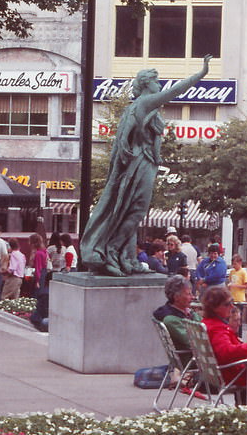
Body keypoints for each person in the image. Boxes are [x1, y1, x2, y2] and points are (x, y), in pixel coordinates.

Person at [80, 55, 212, 275]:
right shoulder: (144, 102)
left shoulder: (141, 107)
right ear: (146, 84)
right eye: (156, 80)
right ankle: (112, 250)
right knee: (137, 209)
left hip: (145, 161)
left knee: (131, 210)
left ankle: (127, 258)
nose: (159, 84)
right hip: (141, 161)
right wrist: (201, 73)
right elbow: (176, 90)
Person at [153, 275, 202, 368]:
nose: (193, 297)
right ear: (176, 297)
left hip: (196, 357)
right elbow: (194, 342)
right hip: (193, 360)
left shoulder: (184, 312)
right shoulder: (171, 320)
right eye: (188, 294)